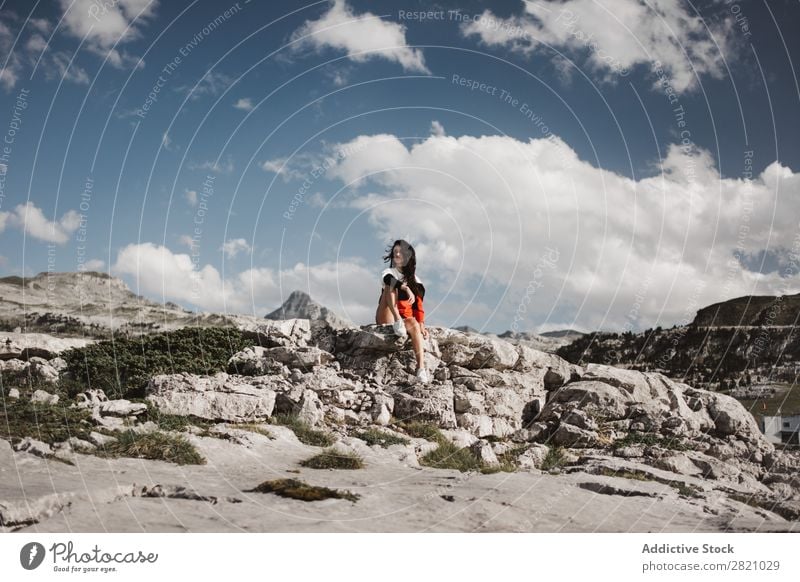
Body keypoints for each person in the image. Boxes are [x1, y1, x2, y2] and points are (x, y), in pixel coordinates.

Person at [375, 239, 430, 383]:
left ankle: (421, 369)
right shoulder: (389, 272)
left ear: (407, 255)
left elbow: (418, 306)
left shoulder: (417, 281)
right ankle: (397, 320)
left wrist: (421, 325)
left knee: (414, 323)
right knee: (390, 284)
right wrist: (404, 287)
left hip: (406, 319)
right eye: (394, 252)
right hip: (387, 315)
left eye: (400, 252)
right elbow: (388, 280)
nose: (396, 254)